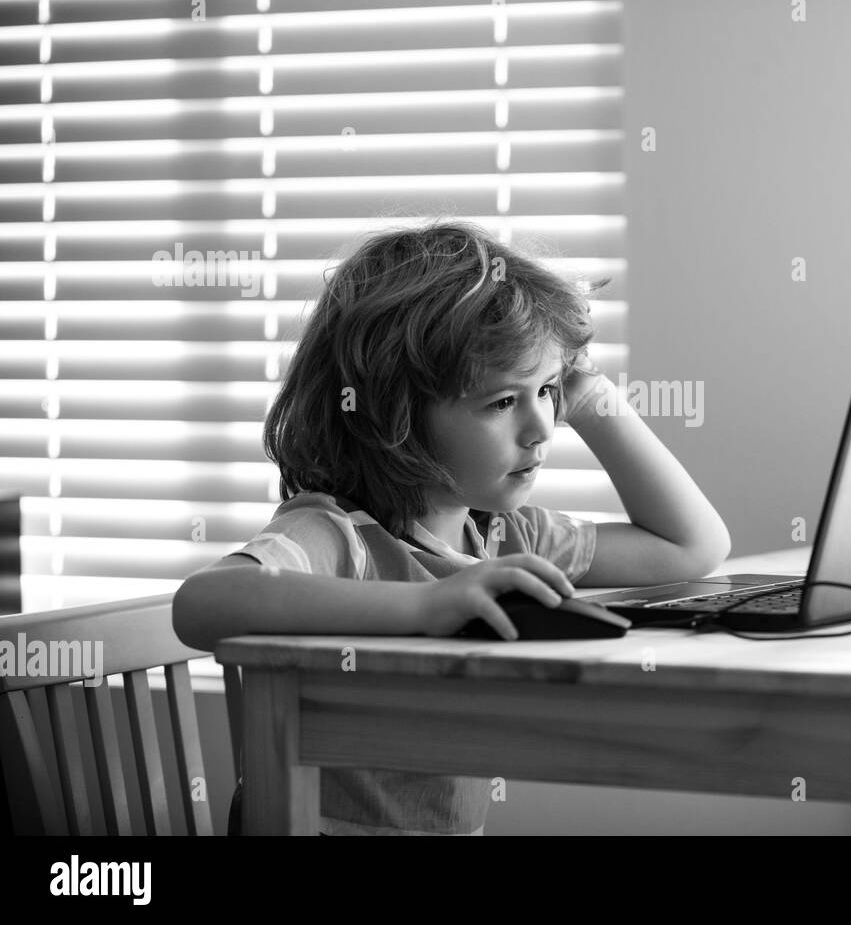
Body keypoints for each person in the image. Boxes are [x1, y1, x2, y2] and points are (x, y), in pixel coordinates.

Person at [172, 219, 731, 834]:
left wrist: (591, 395)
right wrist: (426, 604)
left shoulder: (505, 536)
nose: (543, 426)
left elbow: (692, 546)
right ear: (394, 415)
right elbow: (202, 603)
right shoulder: (341, 534)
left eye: (547, 391)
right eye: (501, 402)